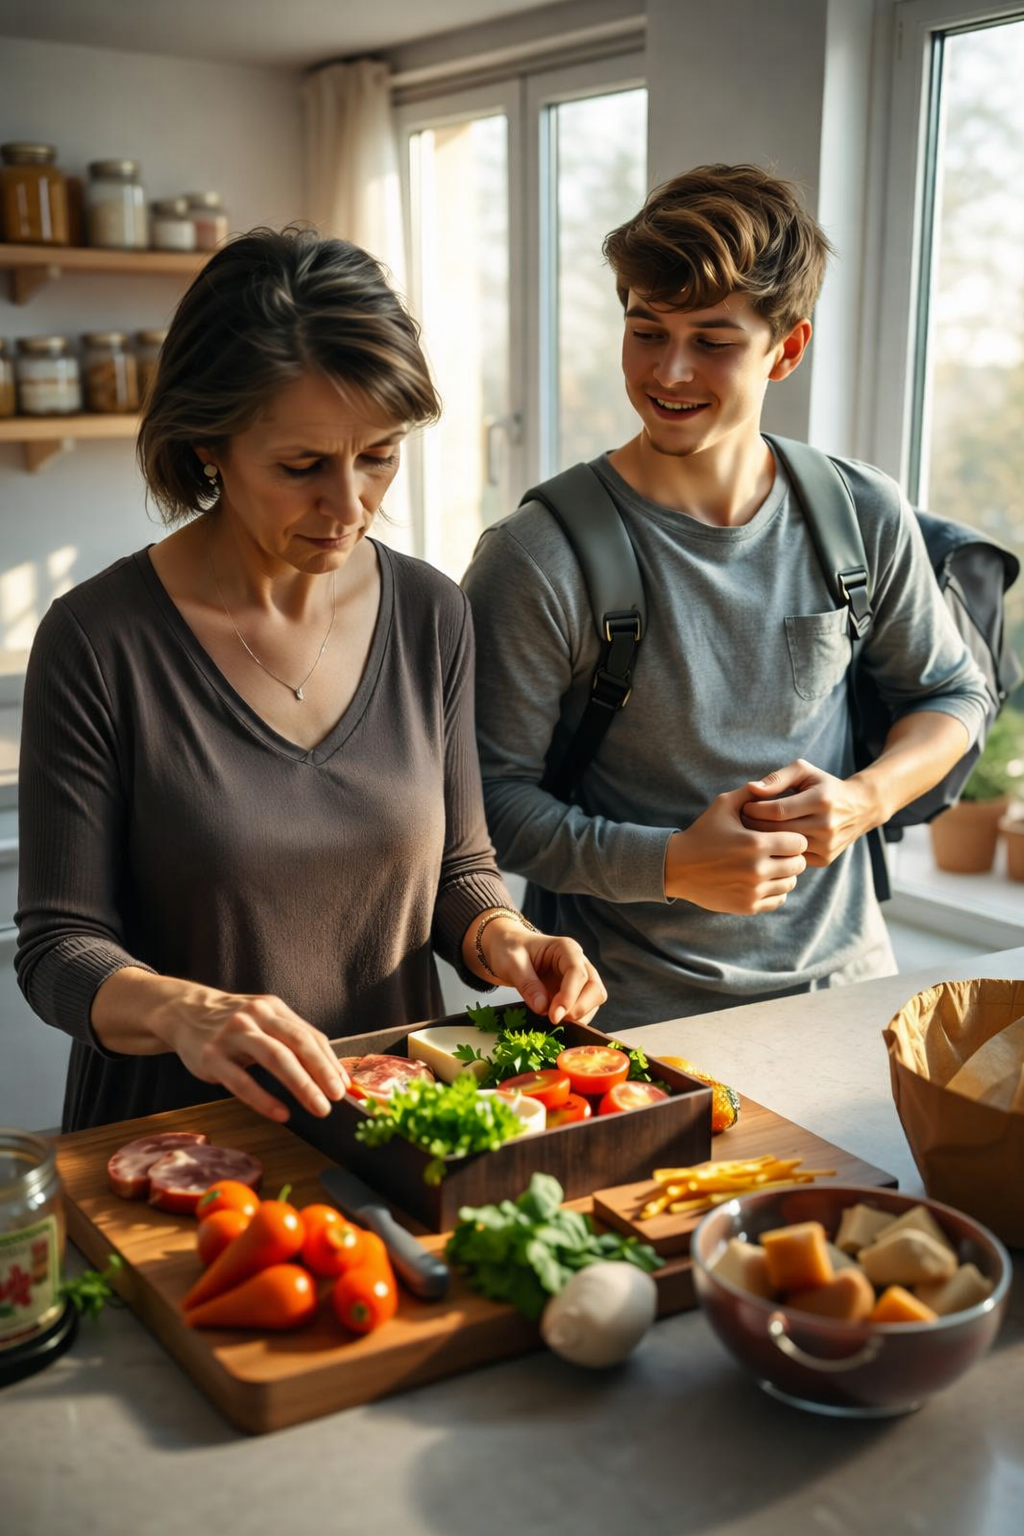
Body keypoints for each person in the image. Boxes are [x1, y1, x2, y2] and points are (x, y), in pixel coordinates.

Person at [16, 226, 605, 1133]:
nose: (350, 506)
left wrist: (507, 939)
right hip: (176, 1151)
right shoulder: (99, 641)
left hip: (394, 1133)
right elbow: (58, 949)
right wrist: (185, 1011)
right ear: (208, 442)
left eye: (378, 455)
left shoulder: (430, 613)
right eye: (302, 467)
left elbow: (455, 868)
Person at [462, 163, 990, 1030]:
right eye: (647, 330)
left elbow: (953, 692)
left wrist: (867, 799)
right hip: (621, 1025)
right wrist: (671, 864)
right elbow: (483, 811)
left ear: (786, 348)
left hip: (848, 998)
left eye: (714, 340)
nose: (669, 371)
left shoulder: (862, 514)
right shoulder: (535, 557)